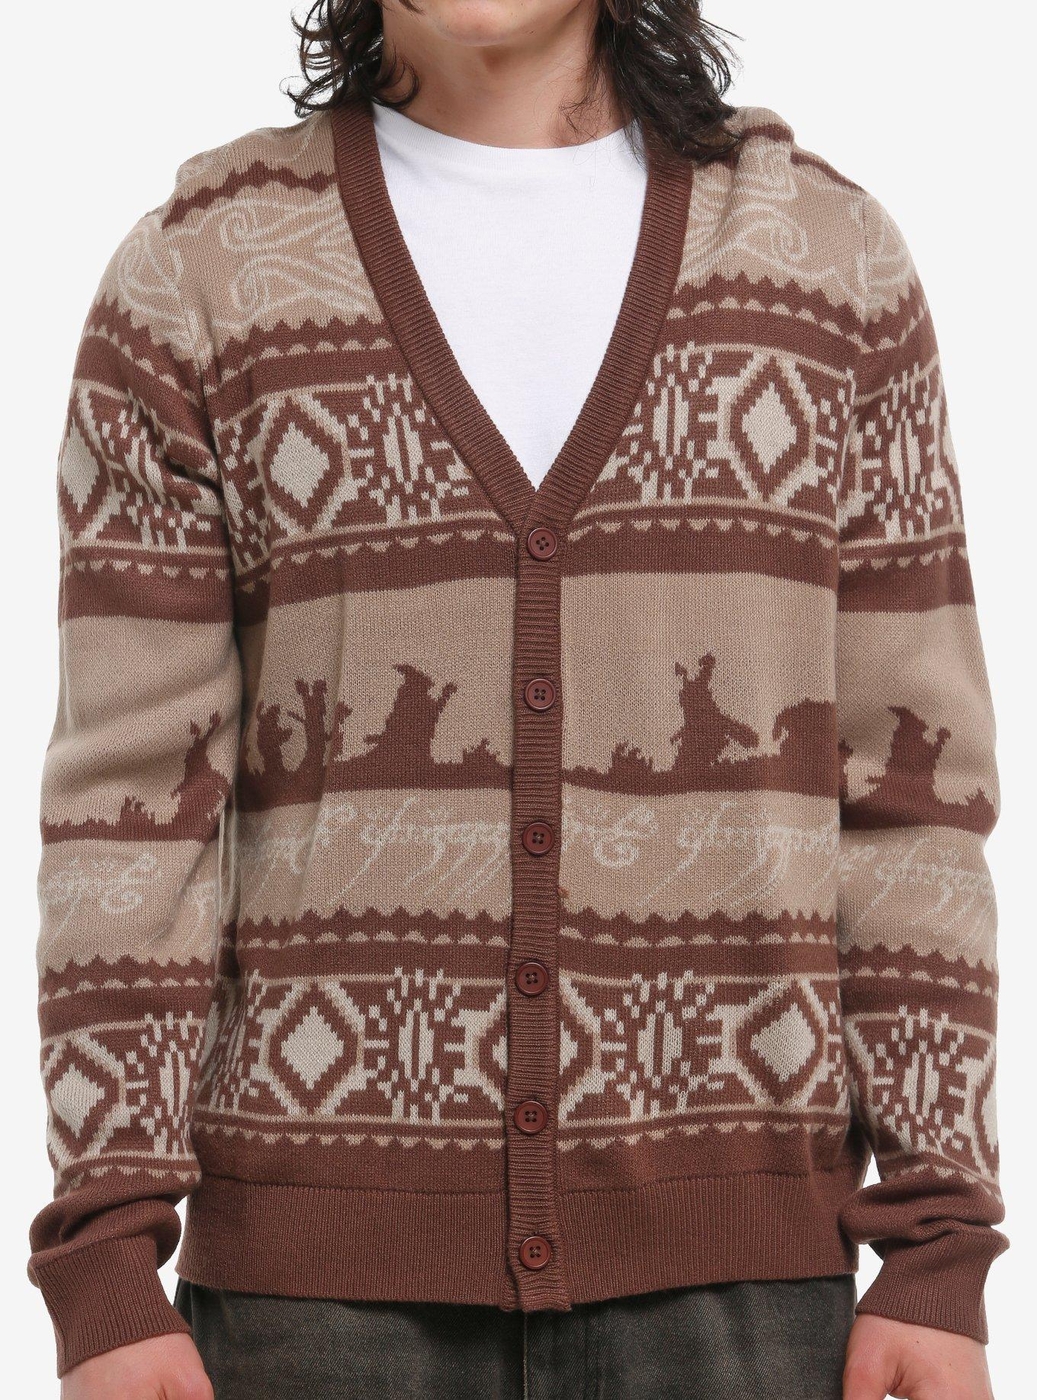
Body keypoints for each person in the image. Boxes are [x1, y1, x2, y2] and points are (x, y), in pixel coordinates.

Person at [29, 1, 1005, 1396]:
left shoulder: (826, 262)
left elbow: (911, 798)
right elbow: (133, 807)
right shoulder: (200, 275)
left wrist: (936, 1238)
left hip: (742, 1287)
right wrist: (108, 1266)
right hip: (316, 1303)